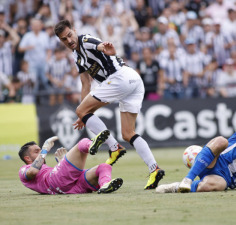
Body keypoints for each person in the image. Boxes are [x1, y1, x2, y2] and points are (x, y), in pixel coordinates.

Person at [54, 19, 165, 190]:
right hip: (133, 79)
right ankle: (154, 169)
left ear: (74, 30)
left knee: (80, 110)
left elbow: (98, 45)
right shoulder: (77, 56)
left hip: (120, 78)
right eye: (64, 39)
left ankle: (114, 147)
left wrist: (106, 48)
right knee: (128, 133)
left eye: (69, 35)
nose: (69, 40)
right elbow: (86, 85)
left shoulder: (85, 40)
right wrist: (83, 113)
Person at [19, 130, 123, 195]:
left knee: (104, 167)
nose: (41, 152)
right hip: (56, 182)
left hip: (71, 188)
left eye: (40, 150)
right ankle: (91, 145)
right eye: (37, 151)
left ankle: (104, 186)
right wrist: (45, 149)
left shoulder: (45, 170)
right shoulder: (24, 169)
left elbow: (60, 177)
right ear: (27, 158)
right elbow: (33, 172)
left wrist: (61, 162)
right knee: (82, 143)